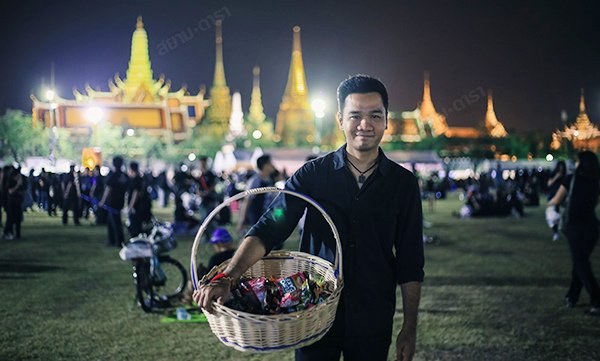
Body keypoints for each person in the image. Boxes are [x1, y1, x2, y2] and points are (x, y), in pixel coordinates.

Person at [194, 75, 424, 361]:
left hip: (373, 313)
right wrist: (228, 277)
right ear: (340, 120)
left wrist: (410, 327)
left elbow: (410, 260)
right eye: (355, 115)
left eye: (375, 115)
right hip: (313, 309)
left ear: (387, 120)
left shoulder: (402, 184)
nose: (365, 125)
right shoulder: (312, 176)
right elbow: (271, 225)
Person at [548, 151, 600, 316]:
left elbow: (556, 200)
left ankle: (597, 300)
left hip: (575, 227)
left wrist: (551, 209)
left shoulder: (571, 179)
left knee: (582, 266)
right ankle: (572, 296)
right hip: (592, 227)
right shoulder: (597, 182)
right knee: (580, 264)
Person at [236, 154, 276, 234]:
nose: (273, 165)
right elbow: (247, 200)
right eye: (270, 163)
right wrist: (242, 220)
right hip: (256, 218)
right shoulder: (255, 181)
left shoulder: (269, 180)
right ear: (265, 165)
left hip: (267, 216)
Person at [99, 156, 129, 247]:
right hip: (120, 201)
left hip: (112, 202)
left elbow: (108, 189)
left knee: (115, 222)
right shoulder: (124, 175)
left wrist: (102, 201)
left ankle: (118, 241)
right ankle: (112, 240)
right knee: (111, 221)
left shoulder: (113, 175)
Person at [126, 161, 151, 237]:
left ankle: (137, 241)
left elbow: (135, 194)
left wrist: (130, 206)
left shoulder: (135, 179)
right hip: (142, 205)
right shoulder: (141, 178)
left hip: (137, 207)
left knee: (135, 227)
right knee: (139, 226)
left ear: (131, 169)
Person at [546, 160, 566, 241]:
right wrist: (556, 177)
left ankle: (561, 230)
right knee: (551, 216)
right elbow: (549, 184)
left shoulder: (566, 177)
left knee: (561, 216)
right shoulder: (553, 174)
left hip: (562, 198)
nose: (561, 169)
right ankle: (555, 233)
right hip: (553, 197)